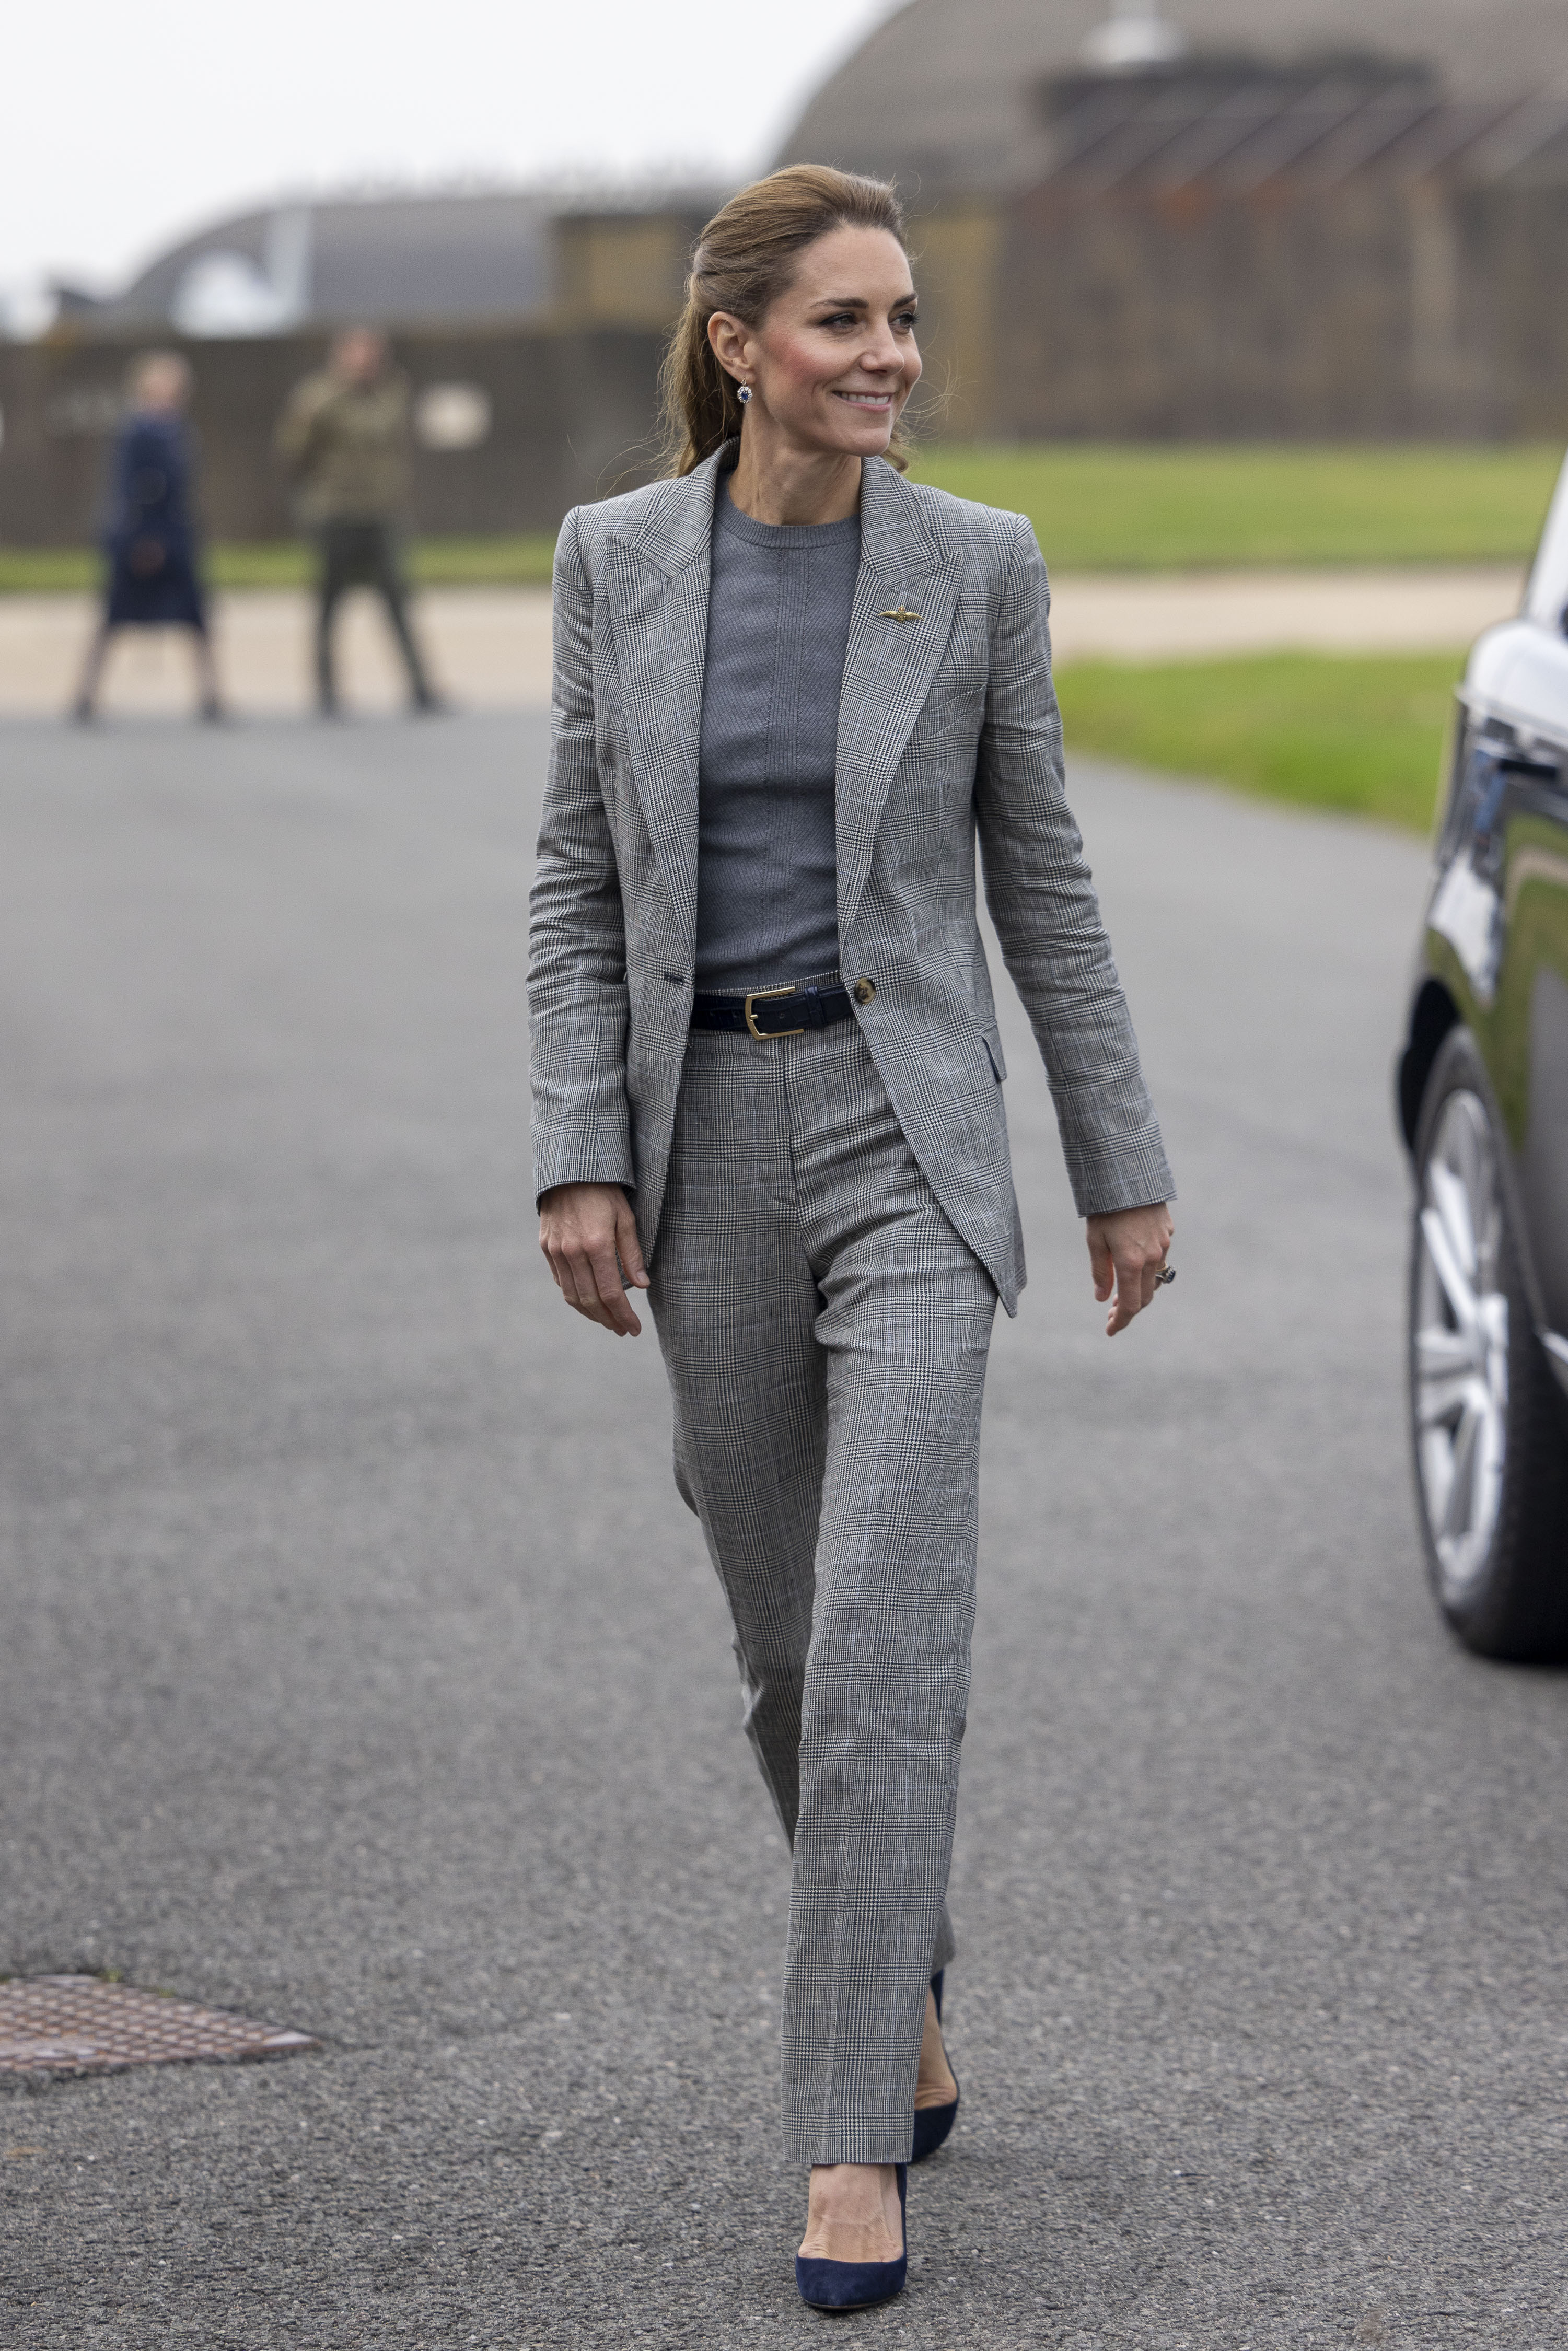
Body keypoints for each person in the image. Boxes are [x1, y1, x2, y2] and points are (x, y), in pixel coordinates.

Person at [528, 166, 1176, 2314]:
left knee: (889, 1631)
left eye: (904, 318)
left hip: (913, 1149)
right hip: (699, 1138)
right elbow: (570, 880)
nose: (889, 355)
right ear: (739, 349)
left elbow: (1043, 882)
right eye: (842, 323)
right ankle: (895, 1973)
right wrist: (575, 1149)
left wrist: (1119, 1160)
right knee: (793, 1650)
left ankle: (841, 2154)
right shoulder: (614, 562)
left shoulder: (975, 567)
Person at [274, 327, 441, 716]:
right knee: (329, 604)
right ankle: (327, 691)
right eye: (358, 353)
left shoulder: (393, 392)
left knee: (398, 600)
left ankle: (419, 688)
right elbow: (293, 453)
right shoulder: (318, 397)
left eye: (372, 353)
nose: (366, 361)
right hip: (336, 511)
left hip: (382, 510)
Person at [73, 351, 222, 724]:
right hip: (141, 538)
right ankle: (86, 695)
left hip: (177, 536)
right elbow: (128, 489)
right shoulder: (135, 431)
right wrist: (143, 539)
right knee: (113, 617)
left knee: (196, 618)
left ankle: (211, 696)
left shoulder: (180, 429)